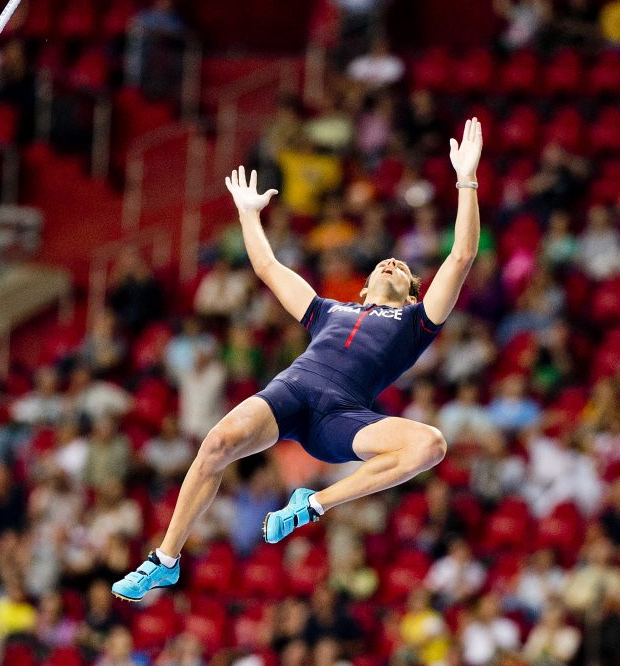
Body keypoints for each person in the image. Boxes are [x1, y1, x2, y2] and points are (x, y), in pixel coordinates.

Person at [112, 118, 484, 601]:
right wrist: (248, 215)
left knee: (430, 445)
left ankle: (312, 505)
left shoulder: (417, 322)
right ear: (364, 287)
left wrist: (465, 181)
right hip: (293, 392)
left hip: (343, 418)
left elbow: (461, 256)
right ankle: (164, 560)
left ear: (413, 291)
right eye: (382, 264)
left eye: (405, 269)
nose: (394, 262)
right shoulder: (329, 310)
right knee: (219, 440)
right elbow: (268, 267)